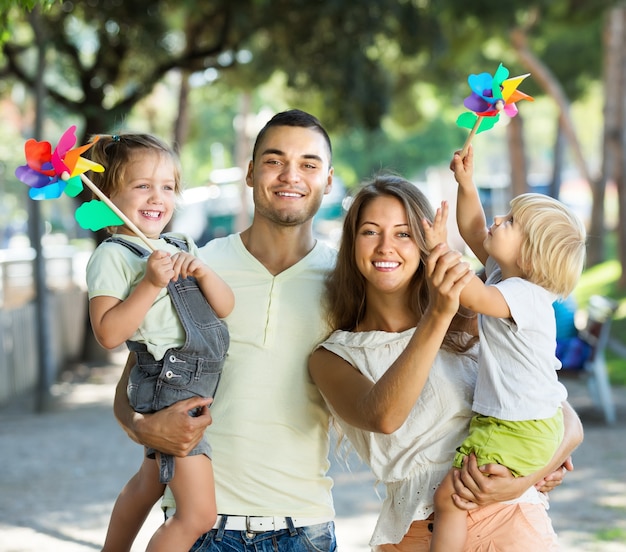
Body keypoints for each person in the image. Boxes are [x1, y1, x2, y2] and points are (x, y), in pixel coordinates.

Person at [308, 173, 583, 551]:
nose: (386, 246)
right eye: (370, 231)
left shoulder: (474, 317)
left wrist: (528, 474)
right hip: (414, 536)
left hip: (507, 522)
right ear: (351, 244)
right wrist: (437, 314)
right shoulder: (334, 357)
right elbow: (384, 417)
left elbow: (563, 415)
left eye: (404, 233)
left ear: (425, 242)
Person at [112, 110, 339, 551]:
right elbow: (134, 383)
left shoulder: (347, 281)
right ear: (251, 173)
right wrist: (142, 428)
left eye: (309, 164)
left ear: (328, 179)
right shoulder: (193, 266)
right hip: (202, 529)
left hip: (305, 527)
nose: (290, 175)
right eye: (274, 161)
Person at [422, 146, 587, 552]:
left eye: (511, 221)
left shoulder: (525, 296)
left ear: (530, 253)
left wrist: (438, 248)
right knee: (462, 496)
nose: (499, 220)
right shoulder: (506, 273)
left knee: (449, 500)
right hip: (519, 419)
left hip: (521, 425)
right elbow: (475, 228)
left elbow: (471, 295)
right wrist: (466, 183)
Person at [86, 133, 234, 552]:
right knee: (198, 515)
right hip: (170, 383)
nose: (158, 196)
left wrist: (202, 273)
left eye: (167, 187)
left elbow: (224, 307)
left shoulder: (180, 245)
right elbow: (109, 334)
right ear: (109, 195)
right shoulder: (113, 255)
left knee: (148, 483)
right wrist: (151, 284)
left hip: (196, 377)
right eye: (142, 185)